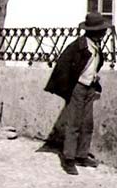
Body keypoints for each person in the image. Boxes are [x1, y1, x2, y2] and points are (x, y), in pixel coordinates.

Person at [43, 12, 111, 175]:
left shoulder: (95, 46)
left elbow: (92, 65)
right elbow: (63, 67)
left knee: (87, 123)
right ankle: (69, 159)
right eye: (101, 30)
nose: (104, 33)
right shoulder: (78, 46)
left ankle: (82, 155)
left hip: (90, 88)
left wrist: (94, 77)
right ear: (92, 31)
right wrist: (68, 89)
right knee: (74, 124)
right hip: (77, 88)